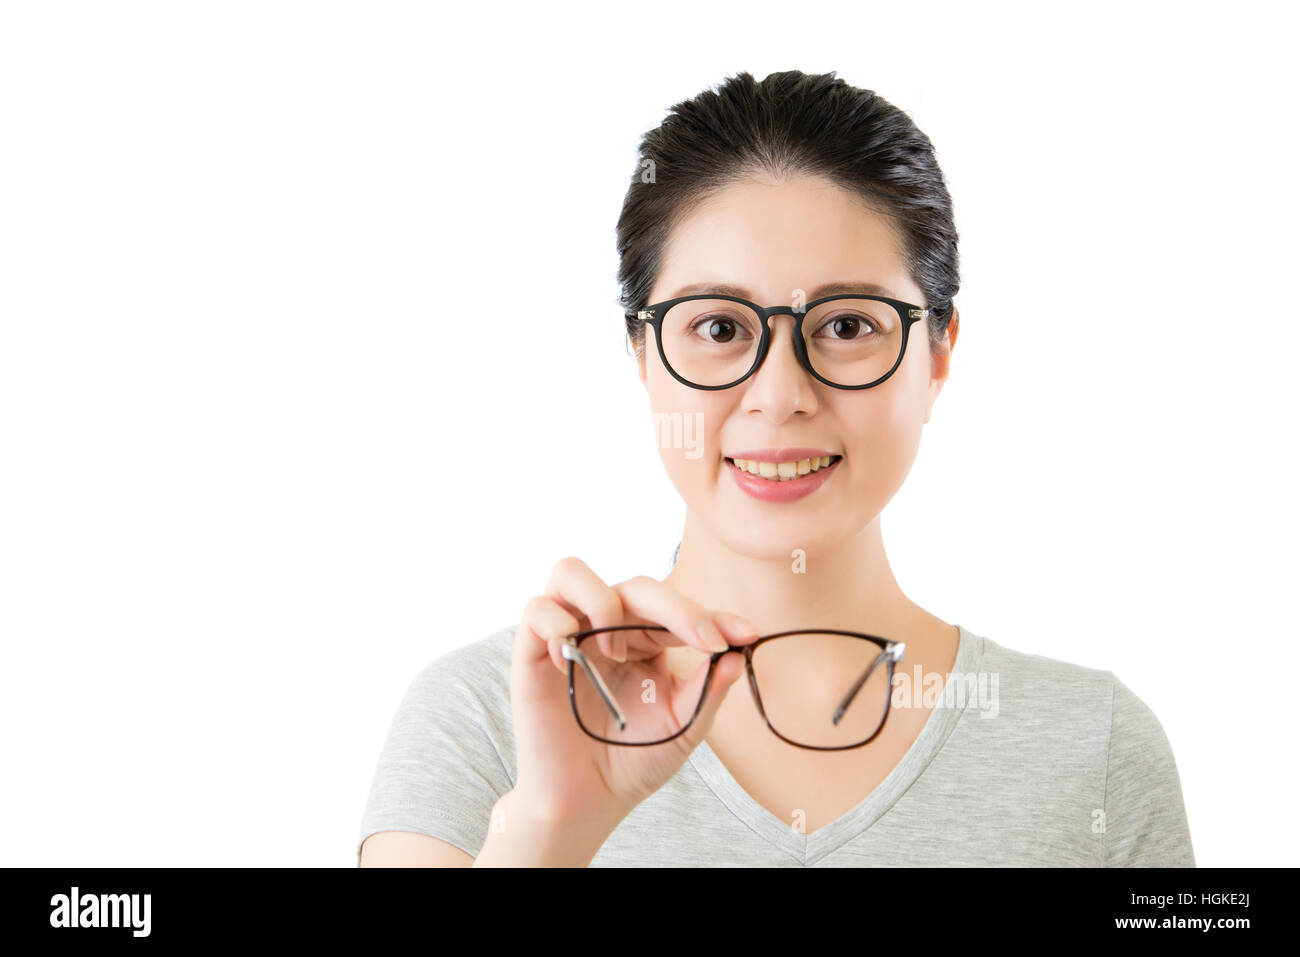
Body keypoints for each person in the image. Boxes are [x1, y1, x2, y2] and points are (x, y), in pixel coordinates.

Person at [357, 70, 1195, 867]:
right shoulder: (482, 720)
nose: (780, 394)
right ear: (643, 355)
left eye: (846, 325)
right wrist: (549, 832)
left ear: (939, 352)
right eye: (719, 328)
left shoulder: (1098, 747)